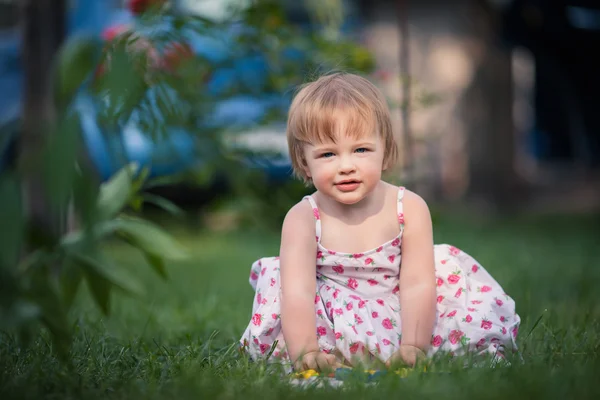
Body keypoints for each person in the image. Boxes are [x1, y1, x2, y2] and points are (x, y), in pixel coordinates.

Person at [239, 72, 520, 373]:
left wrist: (413, 344)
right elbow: (298, 292)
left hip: (403, 312)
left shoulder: (408, 207)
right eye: (328, 154)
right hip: (329, 320)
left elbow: (416, 283)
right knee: (281, 280)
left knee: (444, 278)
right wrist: (306, 350)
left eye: (361, 149)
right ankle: (323, 357)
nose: (346, 166)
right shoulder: (303, 218)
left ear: (385, 150)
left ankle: (410, 353)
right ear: (305, 162)